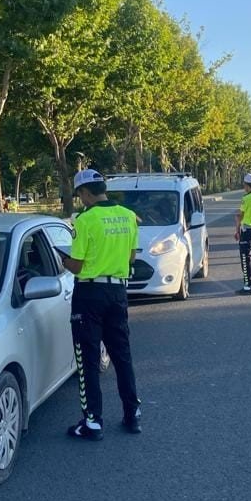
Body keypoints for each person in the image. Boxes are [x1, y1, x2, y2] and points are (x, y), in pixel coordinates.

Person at [60, 168, 141, 440]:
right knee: (122, 355)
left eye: (80, 194)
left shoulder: (85, 220)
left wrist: (62, 260)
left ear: (84, 193)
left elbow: (77, 264)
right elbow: (131, 260)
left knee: (88, 358)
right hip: (118, 294)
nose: (81, 199)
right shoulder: (129, 217)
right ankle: (133, 413)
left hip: (90, 295)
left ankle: (92, 421)